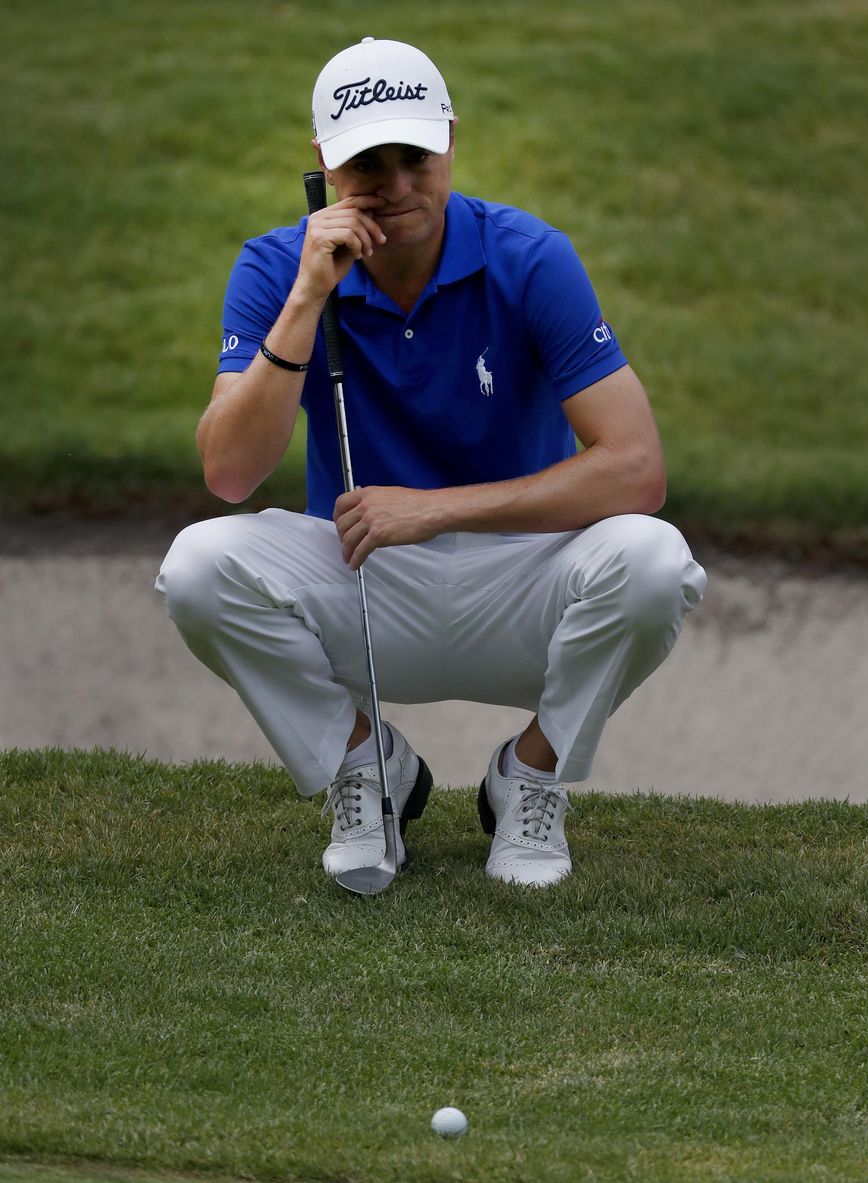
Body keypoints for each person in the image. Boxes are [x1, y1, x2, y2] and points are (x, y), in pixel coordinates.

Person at [156, 37, 706, 892]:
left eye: (415, 155)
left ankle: (530, 775)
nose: (399, 184)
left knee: (655, 561)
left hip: (521, 578)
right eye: (369, 162)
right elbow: (229, 472)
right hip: (364, 580)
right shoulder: (274, 268)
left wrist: (432, 508)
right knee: (195, 568)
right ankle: (367, 772)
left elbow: (637, 470)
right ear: (325, 167)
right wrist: (307, 298)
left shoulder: (530, 257)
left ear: (449, 141)